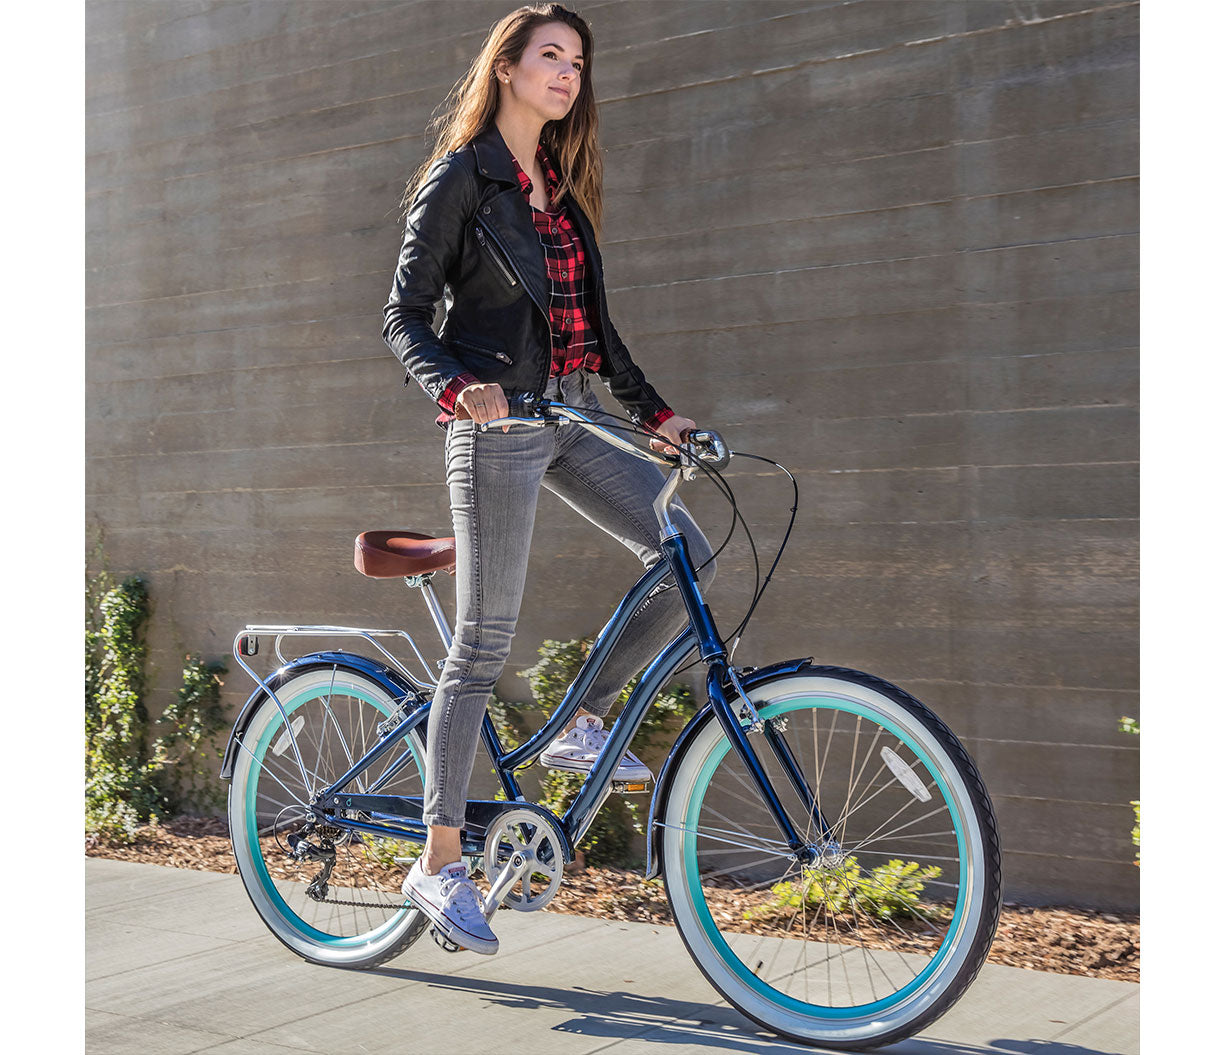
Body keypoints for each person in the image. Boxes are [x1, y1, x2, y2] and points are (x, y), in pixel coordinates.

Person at [381, 3, 715, 955]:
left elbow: (597, 335)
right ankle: (439, 860)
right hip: (494, 425)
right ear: (509, 70)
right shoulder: (463, 177)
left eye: (578, 62)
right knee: (483, 640)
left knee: (685, 549)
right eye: (551, 58)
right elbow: (404, 315)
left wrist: (659, 417)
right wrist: (459, 386)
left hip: (566, 415)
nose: (568, 75)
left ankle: (583, 718)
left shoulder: (559, 190)